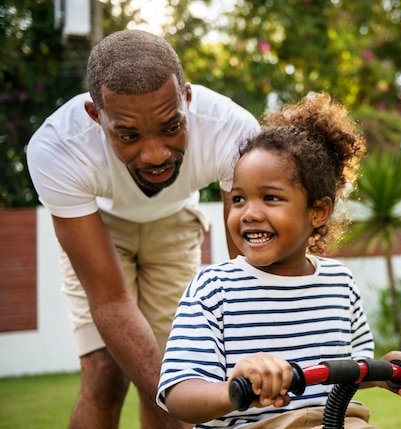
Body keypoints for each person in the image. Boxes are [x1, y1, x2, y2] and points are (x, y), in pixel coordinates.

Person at [26, 29, 259, 428]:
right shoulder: (58, 148)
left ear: (187, 98)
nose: (155, 155)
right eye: (129, 135)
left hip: (174, 228)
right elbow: (110, 301)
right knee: (106, 373)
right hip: (98, 227)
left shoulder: (232, 132)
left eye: (171, 128)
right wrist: (183, 403)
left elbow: (248, 278)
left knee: (177, 364)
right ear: (96, 117)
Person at [156, 93, 401, 428]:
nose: (249, 213)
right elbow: (178, 395)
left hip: (337, 420)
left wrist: (382, 370)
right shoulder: (214, 289)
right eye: (238, 198)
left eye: (270, 198)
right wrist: (235, 390)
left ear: (318, 211)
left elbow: (352, 367)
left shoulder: (339, 283)